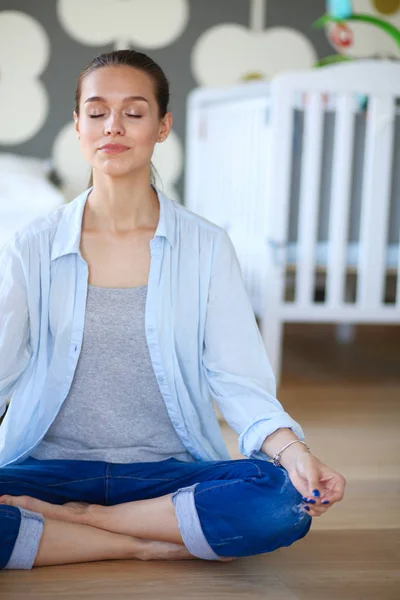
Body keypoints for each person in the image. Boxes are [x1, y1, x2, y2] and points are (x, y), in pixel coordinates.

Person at [0, 50, 346, 570]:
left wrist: (294, 453)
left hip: (168, 471)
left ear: (162, 127)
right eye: (96, 112)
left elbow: (238, 382)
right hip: (48, 468)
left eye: (134, 113)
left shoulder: (207, 246)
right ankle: (140, 540)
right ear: (78, 125)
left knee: (283, 501)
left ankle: (83, 522)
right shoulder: (30, 245)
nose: (112, 126)